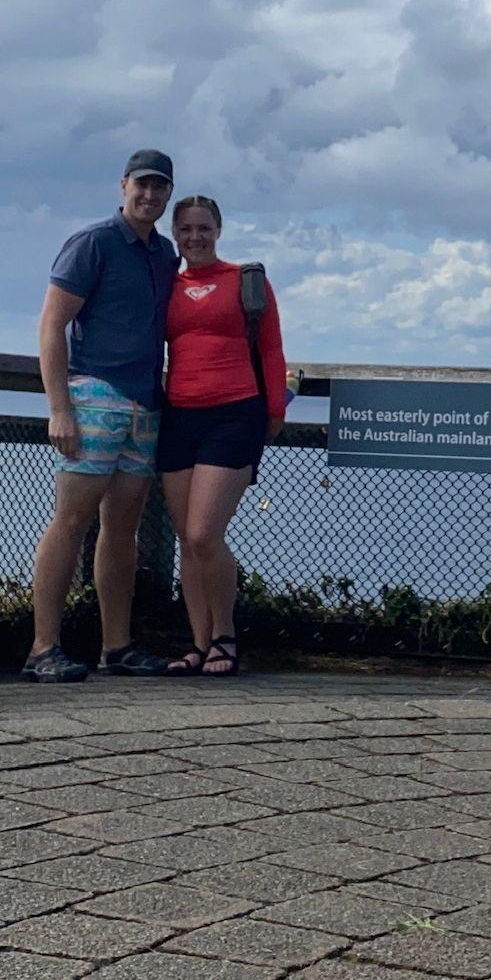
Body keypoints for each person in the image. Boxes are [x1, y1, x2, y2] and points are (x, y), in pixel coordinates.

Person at [21, 149, 179, 682]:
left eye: (160, 188)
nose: (150, 196)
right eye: (143, 185)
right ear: (123, 186)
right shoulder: (92, 243)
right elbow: (51, 325)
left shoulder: (164, 254)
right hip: (94, 396)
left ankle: (117, 645)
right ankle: (43, 647)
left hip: (143, 403)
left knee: (123, 529)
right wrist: (59, 408)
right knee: (71, 521)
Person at [157, 196, 285, 677]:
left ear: (219, 230)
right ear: (175, 232)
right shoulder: (166, 283)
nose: (195, 237)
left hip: (234, 413)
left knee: (203, 533)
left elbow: (271, 346)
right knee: (185, 541)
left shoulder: (246, 280)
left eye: (204, 227)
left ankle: (226, 635)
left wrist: (273, 408)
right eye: (186, 228)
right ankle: (198, 641)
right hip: (178, 416)